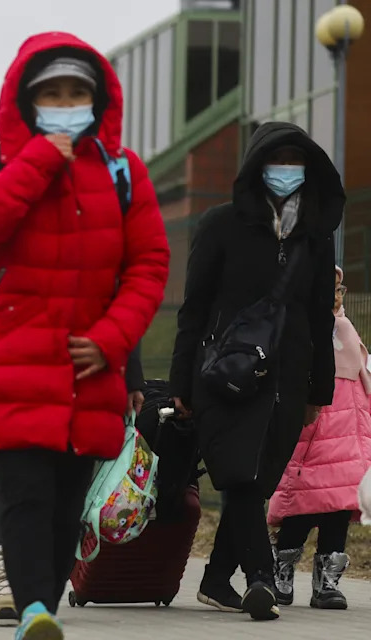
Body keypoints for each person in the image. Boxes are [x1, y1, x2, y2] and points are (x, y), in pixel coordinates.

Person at [0, 34, 170, 638]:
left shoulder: (124, 172)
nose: (66, 102)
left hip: (89, 369)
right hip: (12, 363)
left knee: (69, 505)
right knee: (24, 493)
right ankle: (35, 611)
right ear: (26, 99)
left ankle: (42, 607)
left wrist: (114, 339)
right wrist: (40, 160)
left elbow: (149, 264)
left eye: (77, 92)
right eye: (52, 93)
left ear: (97, 101)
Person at [169, 122, 341, 621]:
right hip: (224, 377)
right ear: (255, 165)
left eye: (296, 159)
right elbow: (193, 310)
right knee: (239, 475)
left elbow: (319, 317)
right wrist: (182, 384)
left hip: (289, 378)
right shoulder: (219, 224)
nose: (286, 169)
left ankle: (217, 579)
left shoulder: (316, 235)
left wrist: (319, 390)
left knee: (259, 480)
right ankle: (261, 578)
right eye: (276, 157)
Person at [0, 344, 146, 621]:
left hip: (80, 371)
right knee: (9, 472)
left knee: (67, 482)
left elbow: (123, 306)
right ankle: (8, 575)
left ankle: (44, 596)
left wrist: (129, 374)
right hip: (13, 363)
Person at [268, 266, 371, 610]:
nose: (336, 297)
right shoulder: (304, 329)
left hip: (346, 438)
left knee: (339, 508)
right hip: (313, 435)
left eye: (340, 290)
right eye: (330, 290)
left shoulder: (345, 327)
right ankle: (281, 570)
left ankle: (326, 581)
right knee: (302, 503)